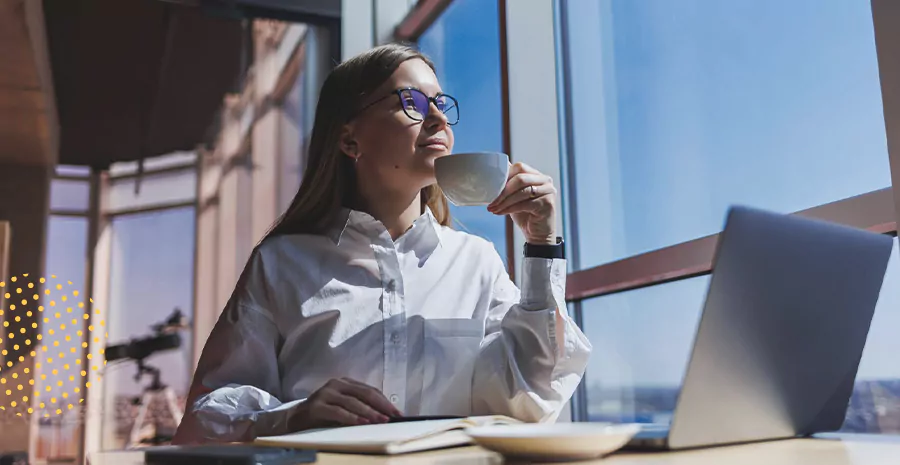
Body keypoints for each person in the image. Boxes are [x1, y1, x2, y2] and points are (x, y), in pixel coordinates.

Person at [172, 43, 591, 444]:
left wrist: (542, 246)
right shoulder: (280, 264)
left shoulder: (476, 262)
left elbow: (533, 398)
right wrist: (293, 416)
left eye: (441, 105)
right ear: (349, 139)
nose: (438, 120)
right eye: (412, 101)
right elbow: (203, 417)